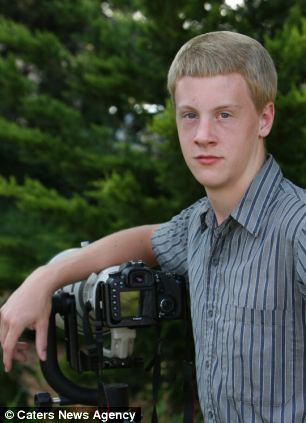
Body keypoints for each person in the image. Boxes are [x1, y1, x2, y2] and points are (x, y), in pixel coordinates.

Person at [1, 31, 306, 422]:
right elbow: (145, 239)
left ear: (264, 119)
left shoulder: (297, 228)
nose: (203, 136)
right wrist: (45, 279)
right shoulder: (198, 226)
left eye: (224, 115)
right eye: (190, 115)